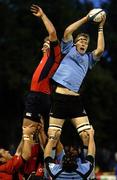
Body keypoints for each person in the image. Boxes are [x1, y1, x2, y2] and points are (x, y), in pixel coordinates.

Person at [47, 10, 106, 141]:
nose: (84, 43)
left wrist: (101, 27)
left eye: (86, 42)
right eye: (81, 40)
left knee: (86, 135)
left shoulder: (89, 58)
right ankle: (50, 161)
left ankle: (87, 162)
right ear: (75, 43)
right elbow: (68, 31)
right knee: (53, 136)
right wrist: (86, 18)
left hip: (74, 98)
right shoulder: (68, 48)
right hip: (59, 94)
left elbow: (100, 49)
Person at [23, 4, 61, 130]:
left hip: (40, 96)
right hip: (35, 96)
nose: (43, 46)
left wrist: (43, 16)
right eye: (43, 44)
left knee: (27, 130)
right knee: (40, 133)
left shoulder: (54, 56)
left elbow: (52, 32)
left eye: (46, 43)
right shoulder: (44, 58)